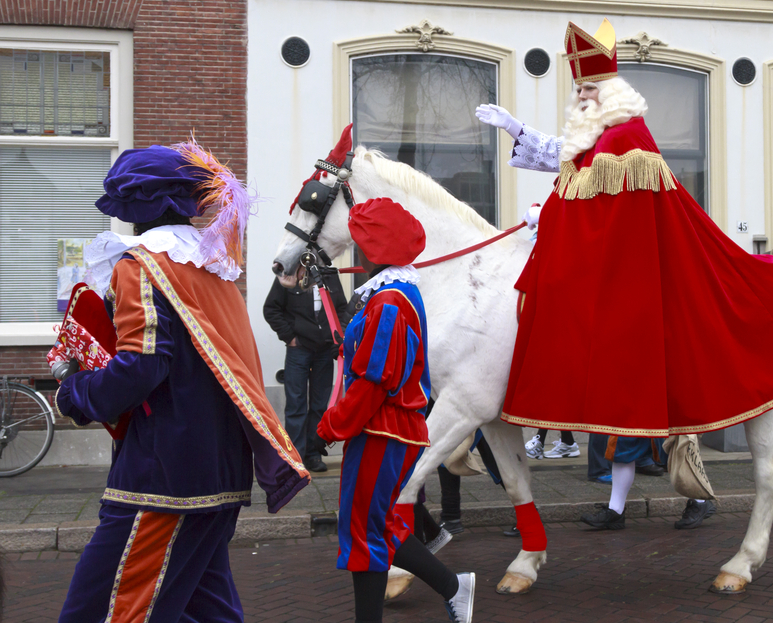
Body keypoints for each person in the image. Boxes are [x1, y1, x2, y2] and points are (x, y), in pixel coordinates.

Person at [476, 18, 773, 531]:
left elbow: (608, 216)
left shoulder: (628, 139)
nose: (578, 96)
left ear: (607, 93)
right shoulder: (603, 136)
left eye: (586, 88)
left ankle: (694, 495)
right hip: (625, 280)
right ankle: (626, 502)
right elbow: (572, 169)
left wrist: (551, 215)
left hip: (650, 280)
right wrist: (515, 132)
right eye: (577, 87)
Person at [55, 143, 310, 622]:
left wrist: (76, 391)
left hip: (163, 477)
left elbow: (140, 367)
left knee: (104, 609)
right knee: (204, 610)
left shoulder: (143, 266)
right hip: (219, 474)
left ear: (137, 209)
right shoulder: (216, 272)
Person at [316, 198, 474, 623]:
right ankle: (455, 587)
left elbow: (374, 382)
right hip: (388, 429)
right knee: (377, 526)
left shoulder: (389, 302)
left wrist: (332, 425)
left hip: (383, 430)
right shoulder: (397, 294)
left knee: (364, 532)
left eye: (361, 242)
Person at [263, 272, 349, 473]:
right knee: (296, 404)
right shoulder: (288, 275)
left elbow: (342, 309)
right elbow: (271, 309)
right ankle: (296, 457)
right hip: (298, 349)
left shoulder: (330, 276)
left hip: (325, 350)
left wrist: (338, 335)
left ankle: (313, 455)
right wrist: (289, 337)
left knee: (320, 405)